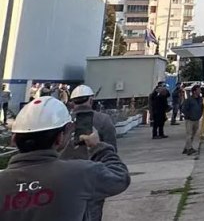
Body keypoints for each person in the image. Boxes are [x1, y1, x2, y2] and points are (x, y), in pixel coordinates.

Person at [0, 97, 130, 220]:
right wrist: (97, 147)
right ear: (59, 138)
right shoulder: (80, 173)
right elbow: (120, 177)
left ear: (14, 140)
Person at [60, 85, 119, 221]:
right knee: (93, 213)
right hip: (93, 176)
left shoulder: (63, 121)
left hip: (64, 177)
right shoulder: (103, 120)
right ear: (91, 100)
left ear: (72, 102)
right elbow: (111, 148)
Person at [180, 86, 204, 155]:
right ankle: (189, 149)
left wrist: (200, 115)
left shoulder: (200, 99)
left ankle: (186, 148)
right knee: (189, 134)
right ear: (194, 91)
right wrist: (188, 116)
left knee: (193, 134)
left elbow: (201, 107)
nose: (200, 91)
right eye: (198, 90)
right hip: (189, 120)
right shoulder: (189, 100)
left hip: (196, 119)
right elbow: (184, 109)